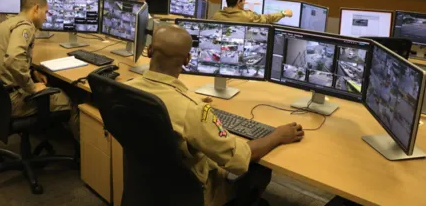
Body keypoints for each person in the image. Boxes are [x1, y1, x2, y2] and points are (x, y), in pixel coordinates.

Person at [126, 24, 304, 206]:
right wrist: (278, 135)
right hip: (192, 194)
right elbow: (239, 157)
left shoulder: (128, 88)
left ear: (149, 51)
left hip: (146, 184)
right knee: (260, 169)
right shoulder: (193, 110)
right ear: (187, 59)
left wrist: (192, 102)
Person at [0, 0, 79, 139]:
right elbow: (13, 59)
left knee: (51, 84)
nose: (46, 17)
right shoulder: (25, 27)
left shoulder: (8, 23)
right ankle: (85, 157)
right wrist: (32, 87)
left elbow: (9, 57)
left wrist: (32, 71)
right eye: (45, 12)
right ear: (36, 9)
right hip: (13, 100)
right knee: (72, 101)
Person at [213, 0, 293, 24]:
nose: (245, 3)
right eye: (244, 0)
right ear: (239, 2)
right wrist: (283, 13)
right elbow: (267, 18)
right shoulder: (247, 16)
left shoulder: (216, 16)